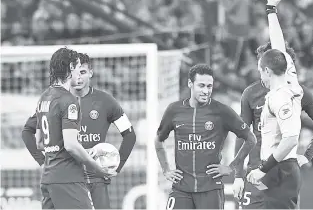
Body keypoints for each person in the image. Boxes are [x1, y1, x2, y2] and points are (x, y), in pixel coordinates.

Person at [23, 53, 136, 209]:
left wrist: (116, 167)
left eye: (83, 72)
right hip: (70, 175)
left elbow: (130, 134)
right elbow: (28, 132)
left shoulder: (105, 101)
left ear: (90, 72)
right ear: (70, 71)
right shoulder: (64, 101)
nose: (79, 77)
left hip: (92, 179)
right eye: (77, 70)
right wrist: (42, 162)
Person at [233, 42, 313, 209]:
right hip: (256, 173)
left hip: (282, 172)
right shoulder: (250, 94)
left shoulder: (297, 92)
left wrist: (307, 155)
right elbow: (242, 135)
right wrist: (238, 175)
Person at [154, 64, 257, 209]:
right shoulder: (174, 110)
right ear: (190, 84)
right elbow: (159, 140)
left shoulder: (221, 111)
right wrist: (166, 169)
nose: (206, 91)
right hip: (181, 189)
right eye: (201, 86)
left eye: (209, 86)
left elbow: (251, 139)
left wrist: (231, 167)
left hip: (211, 190)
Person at [244, 0, 304, 209]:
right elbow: (279, 46)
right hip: (280, 169)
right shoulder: (289, 79)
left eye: (261, 70)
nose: (259, 75)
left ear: (267, 71)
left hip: (279, 169)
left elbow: (291, 138)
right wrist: (271, 10)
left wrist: (263, 169)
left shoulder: (279, 98)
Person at [33, 47, 113, 209]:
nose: (79, 72)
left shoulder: (44, 98)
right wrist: (97, 167)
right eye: (77, 67)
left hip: (48, 178)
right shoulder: (68, 100)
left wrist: (77, 149)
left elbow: (40, 143)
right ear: (70, 68)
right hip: (67, 178)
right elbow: (70, 145)